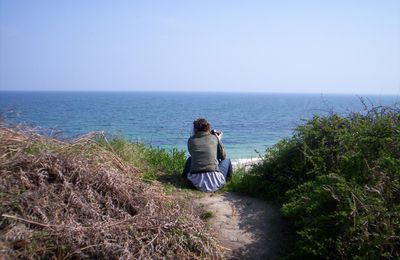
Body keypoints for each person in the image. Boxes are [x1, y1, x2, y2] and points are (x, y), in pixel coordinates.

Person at [182, 118, 232, 192]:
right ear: (208, 127)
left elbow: (194, 154)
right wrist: (218, 140)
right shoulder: (214, 138)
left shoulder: (191, 140)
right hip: (215, 181)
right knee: (227, 160)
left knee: (190, 159)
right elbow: (222, 156)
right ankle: (228, 182)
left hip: (195, 183)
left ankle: (183, 177)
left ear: (195, 129)